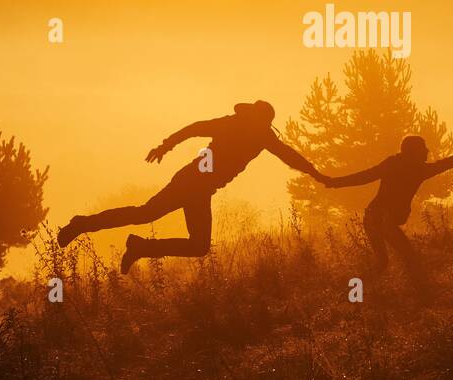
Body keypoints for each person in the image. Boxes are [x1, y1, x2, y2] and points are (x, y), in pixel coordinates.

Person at [57, 100, 328, 274]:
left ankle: (139, 247)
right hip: (191, 181)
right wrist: (166, 144)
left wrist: (316, 173)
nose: (258, 126)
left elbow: (289, 155)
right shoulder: (233, 125)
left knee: (197, 245)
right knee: (145, 215)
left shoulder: (262, 138)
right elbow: (196, 128)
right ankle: (82, 225)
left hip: (201, 190)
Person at [324, 136, 453, 291]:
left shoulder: (395, 163)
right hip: (384, 220)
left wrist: (335, 183)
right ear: (413, 151)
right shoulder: (419, 170)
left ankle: (354, 291)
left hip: (372, 216)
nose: (427, 151)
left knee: (383, 262)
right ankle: (421, 295)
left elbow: (365, 176)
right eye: (423, 148)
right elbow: (446, 163)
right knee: (410, 259)